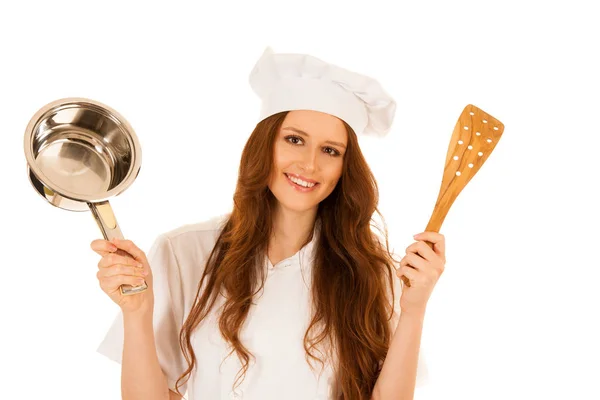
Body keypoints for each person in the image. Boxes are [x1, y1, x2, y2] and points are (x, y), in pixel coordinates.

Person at [94, 47, 446, 400]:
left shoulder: (373, 272)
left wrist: (413, 311)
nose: (309, 164)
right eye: (294, 140)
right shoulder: (184, 252)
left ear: (344, 168)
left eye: (330, 150)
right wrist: (137, 314)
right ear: (266, 144)